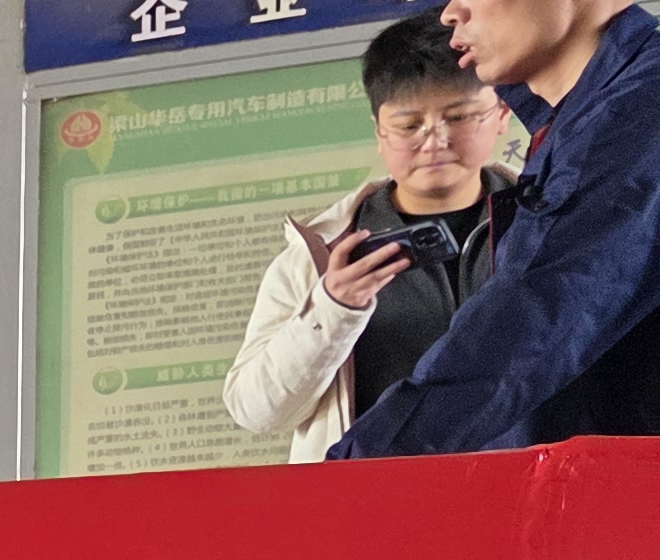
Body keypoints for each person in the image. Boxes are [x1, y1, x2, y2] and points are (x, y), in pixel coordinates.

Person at [333, 0, 660, 456]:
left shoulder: (635, 114)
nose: (451, 14)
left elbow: (536, 317)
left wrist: (350, 471)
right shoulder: (581, 121)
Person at [224, 14, 512, 460]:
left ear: (501, 117)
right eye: (409, 124)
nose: (435, 140)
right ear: (379, 131)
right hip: (373, 510)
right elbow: (255, 411)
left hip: (530, 501)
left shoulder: (550, 222)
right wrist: (333, 309)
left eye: (459, 117)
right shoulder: (320, 252)